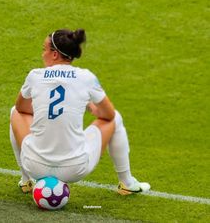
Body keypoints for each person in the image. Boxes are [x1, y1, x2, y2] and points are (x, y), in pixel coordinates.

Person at [10, 28, 150, 195]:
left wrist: (44, 108)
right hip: (74, 168)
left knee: (14, 112)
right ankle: (127, 183)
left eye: (44, 49)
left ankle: (26, 181)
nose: (42, 54)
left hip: (34, 165)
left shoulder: (35, 75)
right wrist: (90, 106)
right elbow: (109, 115)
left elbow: (21, 108)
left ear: (54, 54)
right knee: (116, 118)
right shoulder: (86, 77)